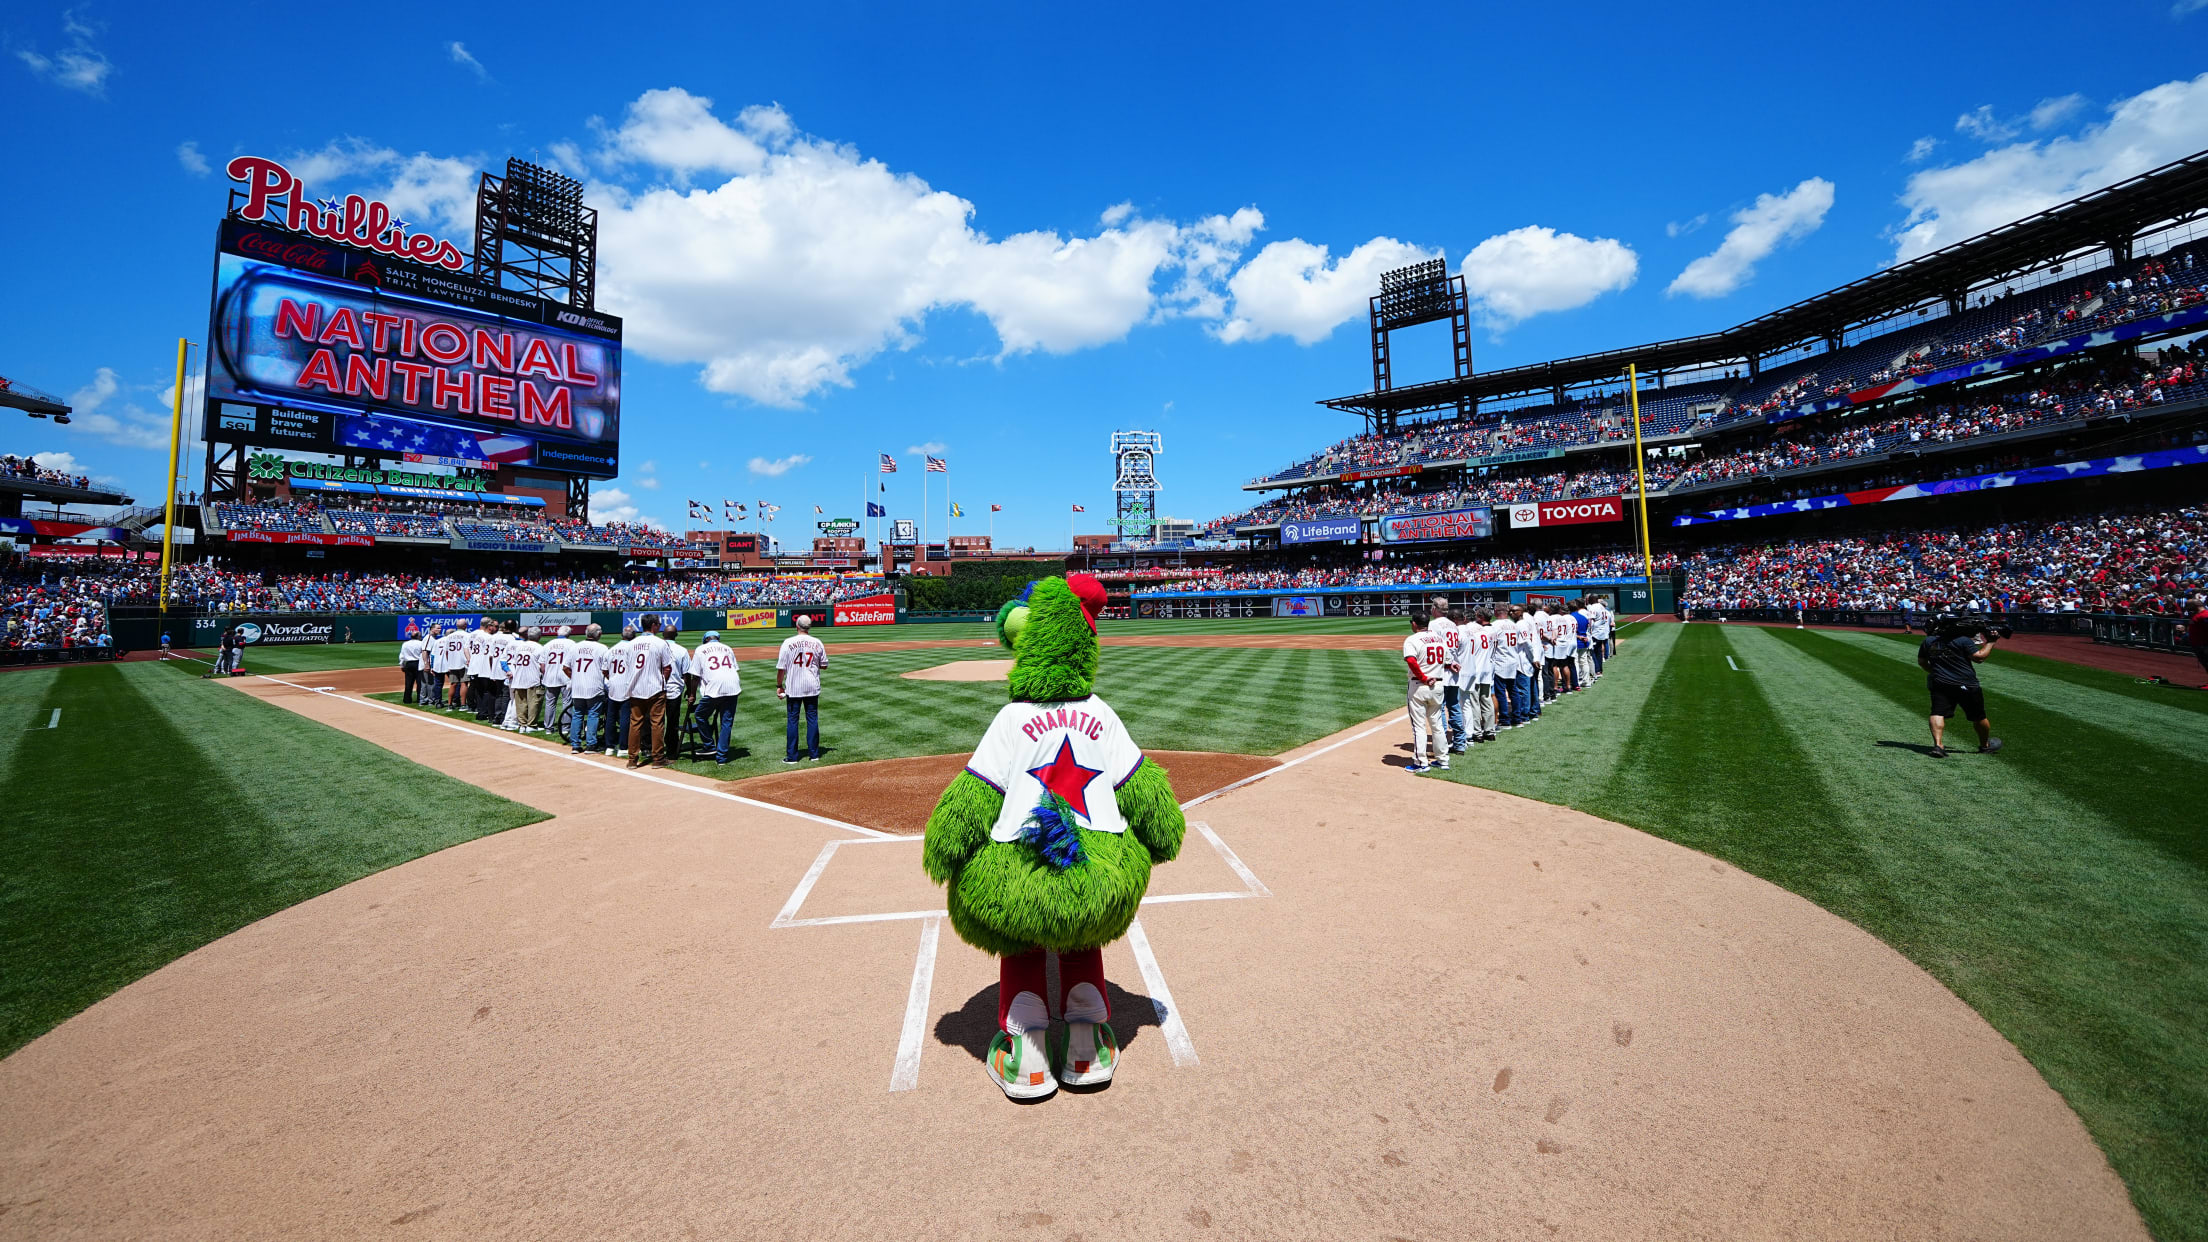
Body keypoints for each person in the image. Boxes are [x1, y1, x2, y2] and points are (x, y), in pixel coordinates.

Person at [1916, 617, 2004, 759]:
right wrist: (1991, 642)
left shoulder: (1928, 641)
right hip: (1967, 684)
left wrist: (1934, 671)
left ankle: (1938, 745)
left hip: (1940, 683)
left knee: (1937, 712)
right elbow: (1979, 657)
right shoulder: (1963, 640)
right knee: (1978, 716)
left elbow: (1921, 661)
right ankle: (1984, 746)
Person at [621, 614, 672, 768]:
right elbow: (667, 667)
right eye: (659, 624)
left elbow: (628, 666)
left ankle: (632, 760)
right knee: (657, 723)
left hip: (635, 687)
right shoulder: (660, 643)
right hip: (655, 688)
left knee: (635, 724)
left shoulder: (631, 643)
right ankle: (658, 759)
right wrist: (662, 681)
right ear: (654, 625)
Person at [777, 614, 829, 764]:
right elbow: (824, 665)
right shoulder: (817, 642)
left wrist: (779, 686)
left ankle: (792, 757)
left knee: (793, 720)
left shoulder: (788, 642)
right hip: (812, 685)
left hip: (794, 686)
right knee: (812, 719)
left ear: (797, 626)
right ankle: (814, 754)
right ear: (809, 627)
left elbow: (781, 668)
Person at [1401, 611, 1449, 773]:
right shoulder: (1438, 638)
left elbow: (1411, 661)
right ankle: (1442, 760)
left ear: (1414, 624)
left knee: (1419, 727)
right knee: (1437, 725)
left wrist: (1423, 677)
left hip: (1420, 686)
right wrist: (1450, 666)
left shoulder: (1412, 639)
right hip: (1438, 685)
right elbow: (1446, 661)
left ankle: (1421, 762)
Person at [691, 630, 743, 765]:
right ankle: (722, 758)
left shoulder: (700, 649)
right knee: (726, 722)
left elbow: (695, 676)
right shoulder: (727, 648)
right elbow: (735, 669)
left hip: (715, 687)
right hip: (733, 686)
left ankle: (709, 746)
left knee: (700, 715)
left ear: (705, 640)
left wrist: (691, 694)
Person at [565, 624, 610, 753]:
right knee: (593, 715)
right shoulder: (602, 648)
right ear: (599, 634)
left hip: (578, 687)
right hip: (594, 686)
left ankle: (575, 745)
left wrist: (575, 677)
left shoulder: (575, 647)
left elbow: (565, 667)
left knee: (577, 715)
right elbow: (606, 669)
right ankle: (591, 744)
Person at [1427, 596, 1462, 752]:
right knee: (1454, 706)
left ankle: (1444, 742)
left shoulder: (1434, 624)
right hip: (1454, 669)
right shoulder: (1453, 625)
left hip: (1442, 670)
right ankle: (1460, 743)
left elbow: (1435, 646)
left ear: (1435, 608)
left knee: (1439, 708)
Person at [1464, 607, 1498, 743]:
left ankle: (1477, 732)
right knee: (1486, 699)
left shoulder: (1468, 630)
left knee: (1474, 702)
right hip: (1487, 668)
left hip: (1475, 669)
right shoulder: (1485, 630)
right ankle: (1490, 731)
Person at [605, 625, 636, 759]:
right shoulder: (633, 649)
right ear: (633, 635)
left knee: (610, 717)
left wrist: (612, 678)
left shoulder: (611, 650)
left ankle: (609, 746)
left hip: (613, 685)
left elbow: (604, 670)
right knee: (625, 717)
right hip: (627, 685)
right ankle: (623, 747)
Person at [507, 628, 544, 732]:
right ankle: (531, 725)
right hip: (534, 678)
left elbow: (514, 662)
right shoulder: (540, 648)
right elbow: (542, 666)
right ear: (539, 636)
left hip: (519, 677)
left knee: (521, 702)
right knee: (534, 702)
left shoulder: (520, 646)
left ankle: (522, 725)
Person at [662, 625, 691, 759]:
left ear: (663, 634)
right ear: (676, 635)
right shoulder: (682, 650)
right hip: (674, 689)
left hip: (657, 689)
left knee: (655, 720)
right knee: (673, 721)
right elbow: (686, 674)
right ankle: (671, 751)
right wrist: (690, 691)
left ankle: (649, 747)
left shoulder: (657, 648)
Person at [541, 625, 575, 734]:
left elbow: (542, 665)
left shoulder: (548, 644)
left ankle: (548, 728)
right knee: (567, 702)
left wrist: (545, 674)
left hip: (550, 676)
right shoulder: (572, 644)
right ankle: (565, 728)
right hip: (566, 676)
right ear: (568, 634)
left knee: (550, 703)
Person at [398, 630, 425, 704]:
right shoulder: (421, 643)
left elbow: (402, 656)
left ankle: (407, 699)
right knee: (419, 682)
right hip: (418, 663)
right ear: (418, 636)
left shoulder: (405, 644)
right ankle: (420, 699)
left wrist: (402, 665)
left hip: (409, 664)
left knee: (408, 682)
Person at [2189, 594, 2208, 690]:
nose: (2187, 608)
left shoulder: (2205, 615)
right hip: (2199, 644)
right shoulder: (2198, 615)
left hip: (2204, 644)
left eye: (2189, 606)